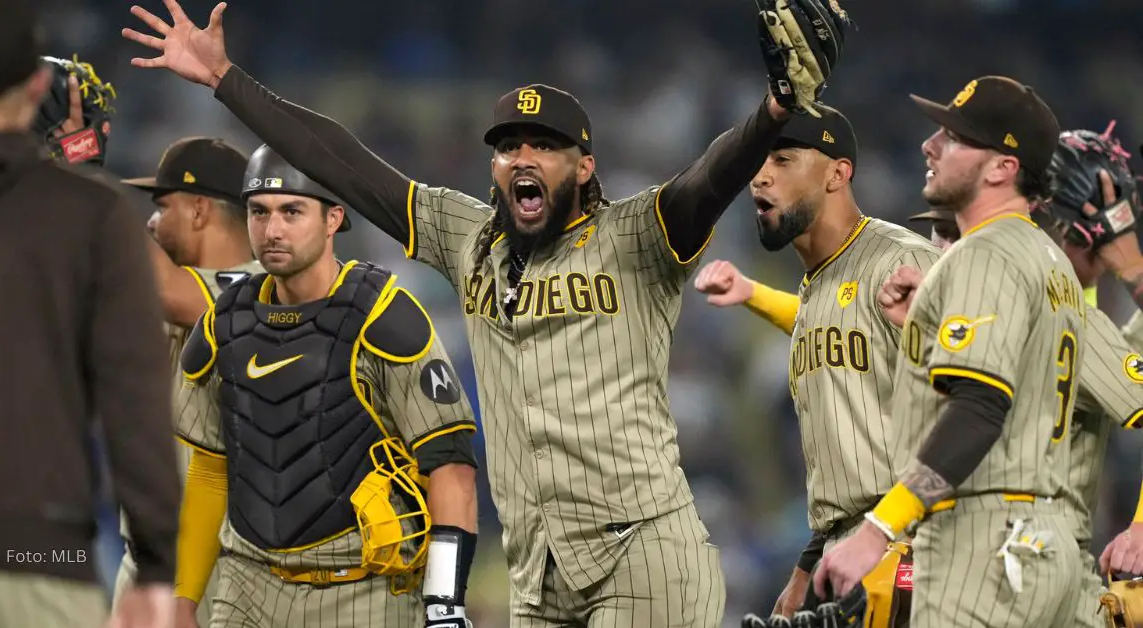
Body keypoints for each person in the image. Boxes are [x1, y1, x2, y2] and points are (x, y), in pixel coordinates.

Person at [121, 0, 848, 623]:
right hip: (538, 570)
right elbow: (343, 163)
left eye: (546, 146)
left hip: (642, 554)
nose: (523, 156)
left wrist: (775, 110)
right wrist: (224, 79)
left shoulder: (636, 234)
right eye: (508, 146)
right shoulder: (465, 236)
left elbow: (706, 181)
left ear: (585, 166)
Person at [0, 1, 180, 627]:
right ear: (36, 86)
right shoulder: (87, 219)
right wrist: (157, 567)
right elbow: (135, 400)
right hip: (32, 551)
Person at [174, 145, 480, 628]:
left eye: (292, 211)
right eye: (259, 212)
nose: (272, 230)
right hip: (246, 589)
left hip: (362, 590)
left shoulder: (383, 317)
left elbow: (449, 465)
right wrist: (183, 601)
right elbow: (210, 471)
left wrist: (444, 603)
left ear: (333, 218)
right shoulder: (223, 321)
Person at [816, 75, 1083, 627]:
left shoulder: (984, 255)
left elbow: (980, 408)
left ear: (1001, 167)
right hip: (1044, 537)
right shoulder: (1047, 259)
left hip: (983, 543)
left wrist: (877, 530)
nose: (929, 146)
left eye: (954, 138)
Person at [693, 105, 938, 622]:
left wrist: (901, 545)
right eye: (759, 161)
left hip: (916, 547)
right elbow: (847, 471)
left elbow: (973, 415)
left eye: (783, 159)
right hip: (849, 548)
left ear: (837, 173)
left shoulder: (901, 263)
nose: (760, 175)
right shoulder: (821, 283)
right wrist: (808, 568)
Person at [116, 136, 263, 624]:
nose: (151, 222)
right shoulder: (169, 293)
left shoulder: (264, 289)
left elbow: (168, 289)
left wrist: (82, 171)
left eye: (163, 206)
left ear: (199, 209)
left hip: (227, 567)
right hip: (146, 557)